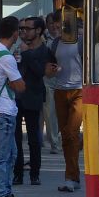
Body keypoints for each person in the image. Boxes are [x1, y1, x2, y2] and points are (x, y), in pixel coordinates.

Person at [0, 16, 27, 197]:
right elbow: (20, 86)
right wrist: (17, 80)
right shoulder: (6, 57)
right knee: (3, 156)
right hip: (4, 110)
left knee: (11, 153)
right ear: (15, 33)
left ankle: (6, 193)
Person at [13, 16, 56, 187]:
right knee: (16, 138)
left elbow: (40, 72)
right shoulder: (18, 48)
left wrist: (26, 53)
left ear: (38, 31)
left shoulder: (45, 51)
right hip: (16, 97)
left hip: (33, 96)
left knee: (33, 138)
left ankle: (34, 173)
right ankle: (17, 173)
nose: (23, 31)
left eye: (27, 28)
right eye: (21, 28)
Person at [52, 16, 84, 193]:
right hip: (60, 90)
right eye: (55, 26)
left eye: (59, 25)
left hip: (80, 90)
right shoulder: (55, 43)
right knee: (66, 135)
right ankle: (72, 176)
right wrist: (51, 69)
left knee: (71, 132)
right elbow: (50, 64)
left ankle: (71, 178)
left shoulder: (81, 42)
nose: (56, 29)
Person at [41, 13, 62, 155]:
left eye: (56, 22)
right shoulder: (43, 40)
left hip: (66, 79)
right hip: (48, 80)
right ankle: (55, 143)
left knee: (64, 113)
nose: (54, 26)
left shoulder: (69, 38)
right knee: (50, 114)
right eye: (50, 23)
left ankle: (62, 138)